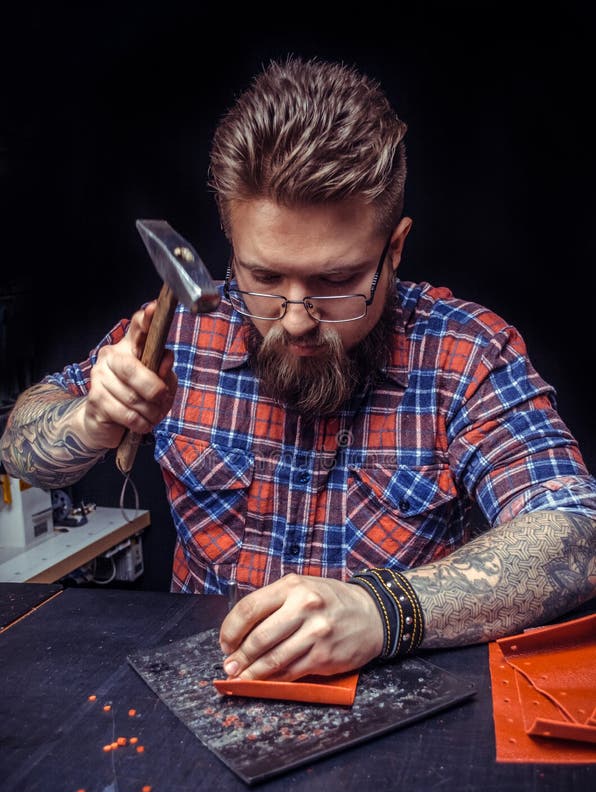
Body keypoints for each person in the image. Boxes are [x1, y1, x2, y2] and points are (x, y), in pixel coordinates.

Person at [2, 57, 595, 683]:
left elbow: (579, 531)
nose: (293, 320)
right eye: (262, 276)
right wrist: (90, 418)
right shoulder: (183, 334)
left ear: (394, 248)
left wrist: (383, 609)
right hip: (198, 697)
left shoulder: (464, 353)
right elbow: (19, 450)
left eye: (335, 281)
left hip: (397, 711)